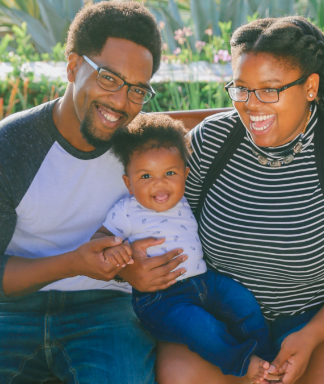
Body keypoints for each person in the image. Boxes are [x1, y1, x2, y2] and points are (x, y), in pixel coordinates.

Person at [156, 16, 324, 384]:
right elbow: (167, 221)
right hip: (219, 325)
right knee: (177, 374)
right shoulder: (211, 142)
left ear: (310, 86)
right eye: (241, 88)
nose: (250, 104)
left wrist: (309, 337)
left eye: (269, 89)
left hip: (318, 321)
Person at [0, 2, 187, 383]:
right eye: (108, 78)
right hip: (11, 309)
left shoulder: (143, 152)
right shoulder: (12, 145)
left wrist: (132, 271)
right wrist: (73, 263)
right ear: (73, 67)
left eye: (137, 89)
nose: (121, 103)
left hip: (109, 312)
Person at [91, 113, 277, 381]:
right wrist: (115, 251)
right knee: (202, 328)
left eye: (169, 173)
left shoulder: (184, 200)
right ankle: (242, 364)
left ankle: (267, 359)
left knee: (243, 302)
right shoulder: (126, 211)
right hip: (161, 299)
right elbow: (98, 240)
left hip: (204, 282)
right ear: (128, 183)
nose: (159, 183)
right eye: (145, 176)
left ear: (185, 175)